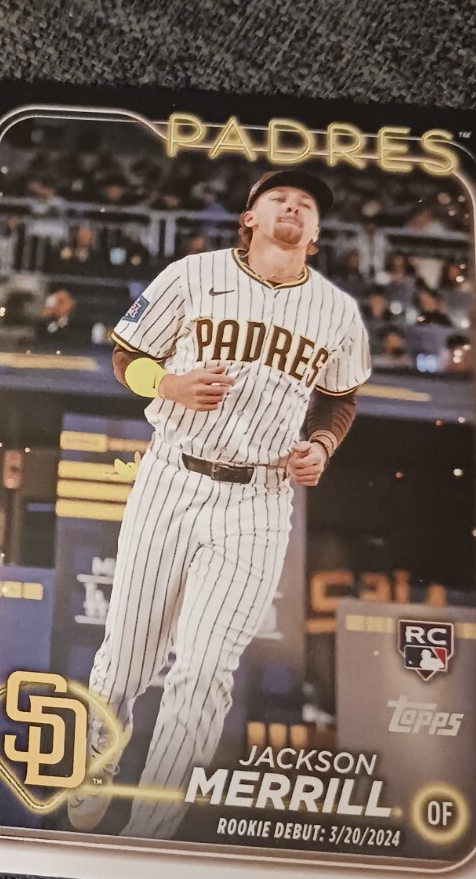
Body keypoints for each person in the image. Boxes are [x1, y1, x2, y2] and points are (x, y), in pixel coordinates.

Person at [67, 168, 371, 838]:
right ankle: (95, 761)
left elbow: (340, 398)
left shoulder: (336, 311)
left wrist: (322, 445)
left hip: (259, 498)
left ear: (316, 234)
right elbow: (125, 355)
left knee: (205, 670)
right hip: (171, 478)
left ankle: (152, 830)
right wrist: (167, 384)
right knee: (129, 656)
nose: (293, 206)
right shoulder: (191, 274)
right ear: (249, 218)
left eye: (306, 204)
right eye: (278, 198)